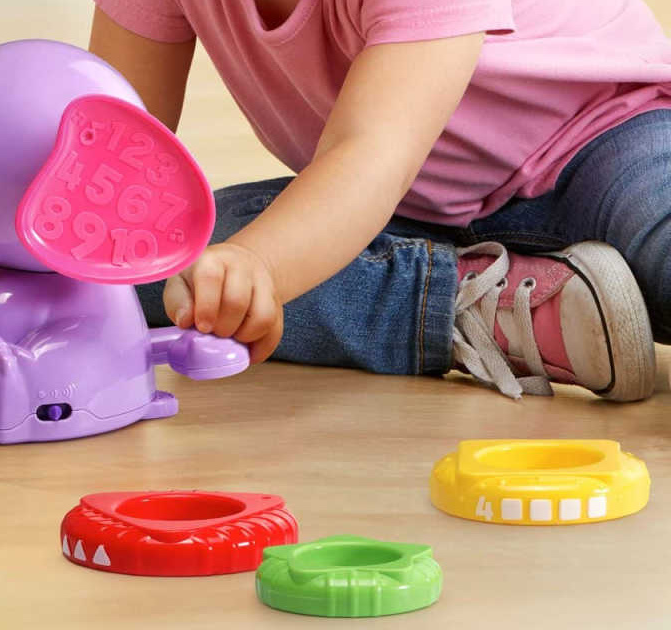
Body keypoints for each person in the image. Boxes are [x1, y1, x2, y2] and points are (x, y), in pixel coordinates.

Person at [88, 0, 671, 400]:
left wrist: (262, 263)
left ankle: (482, 298)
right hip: (402, 208)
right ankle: (484, 306)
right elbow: (114, 155)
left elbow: (374, 149)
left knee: (660, 241)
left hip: (603, 137)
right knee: (146, 266)